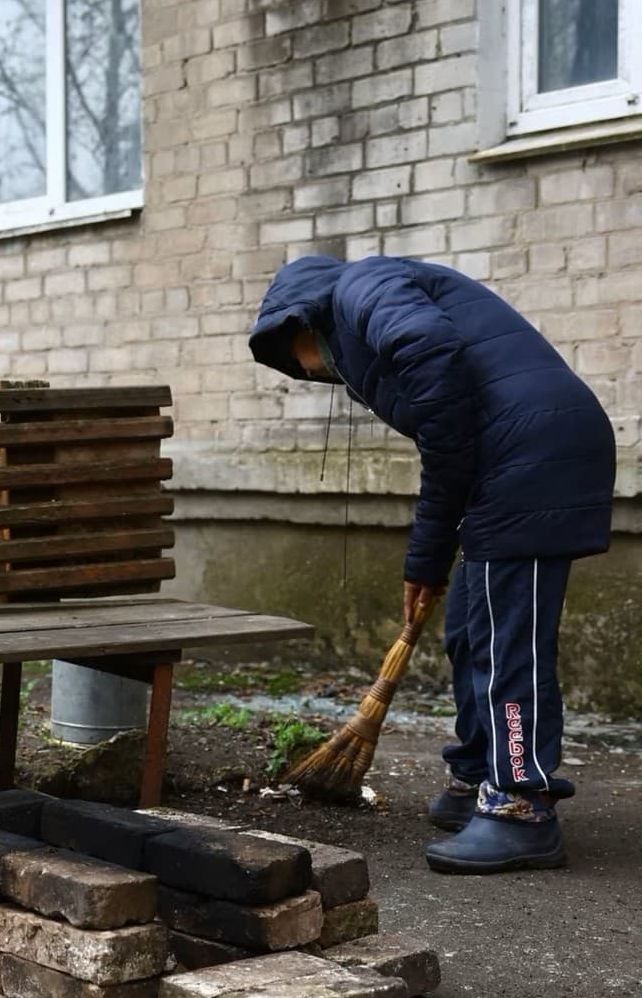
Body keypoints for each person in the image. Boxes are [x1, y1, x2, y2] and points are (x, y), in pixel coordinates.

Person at [249, 254, 614, 875]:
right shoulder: (364, 316)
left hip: (534, 457)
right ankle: (477, 773)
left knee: (507, 647)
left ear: (299, 324)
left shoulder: (362, 286)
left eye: (297, 360)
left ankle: (520, 805)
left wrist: (430, 548)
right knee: (470, 631)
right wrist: (429, 563)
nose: (308, 373)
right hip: (508, 462)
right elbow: (450, 446)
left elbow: (435, 368)